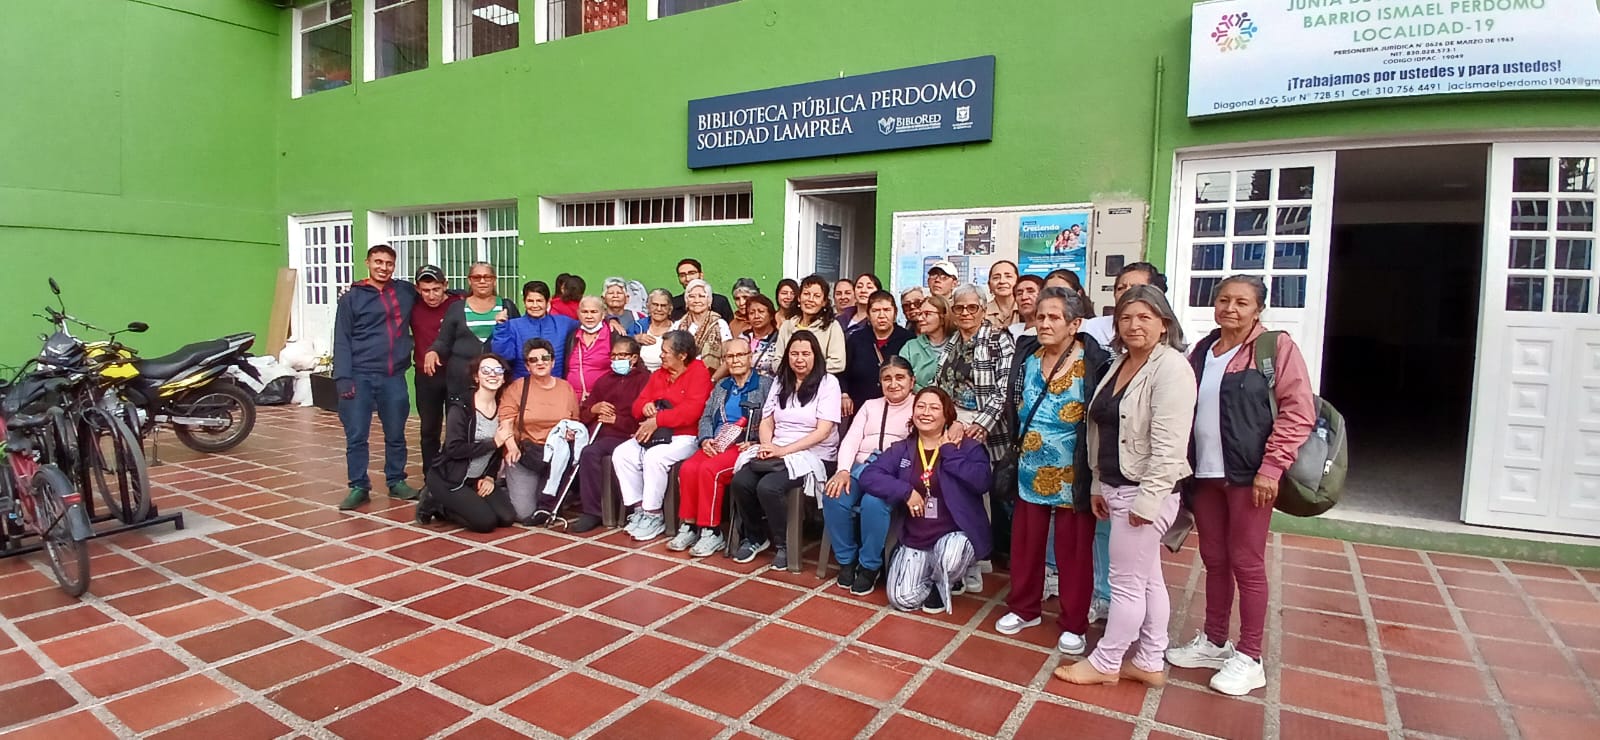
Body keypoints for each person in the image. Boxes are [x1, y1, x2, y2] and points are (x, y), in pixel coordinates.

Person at [1167, 275, 1315, 696]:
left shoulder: (1274, 349)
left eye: (1241, 302)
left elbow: (1298, 411)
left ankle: (1250, 656)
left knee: (1246, 562)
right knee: (1214, 558)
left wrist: (1273, 467)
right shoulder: (1203, 351)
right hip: (1207, 474)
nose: (1230, 308)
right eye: (1223, 300)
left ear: (1258, 309)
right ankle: (1215, 641)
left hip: (1250, 476)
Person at [1057, 285, 1197, 688]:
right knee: (1148, 578)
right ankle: (1151, 658)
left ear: (1164, 323)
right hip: (1118, 488)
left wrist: (1149, 500)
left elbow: (1171, 445)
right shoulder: (1120, 364)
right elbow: (1103, 431)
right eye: (1126, 317)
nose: (1134, 325)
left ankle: (1107, 660)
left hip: (1145, 491)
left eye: (1145, 317)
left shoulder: (1170, 368)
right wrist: (1099, 484)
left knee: (1126, 584)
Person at [995, 289, 1110, 657]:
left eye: (1054, 318)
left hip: (1072, 473)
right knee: (1026, 545)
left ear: (1074, 324)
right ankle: (1023, 608)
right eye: (1041, 316)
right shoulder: (1028, 356)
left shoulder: (1094, 363)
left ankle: (1074, 622)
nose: (1044, 324)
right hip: (1029, 469)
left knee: (1073, 551)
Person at [860, 387, 992, 614]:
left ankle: (949, 577)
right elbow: (869, 476)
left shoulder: (968, 447)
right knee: (902, 599)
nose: (926, 412)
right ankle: (934, 580)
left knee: (950, 556)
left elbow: (982, 482)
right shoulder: (903, 449)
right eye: (920, 406)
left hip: (955, 536)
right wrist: (906, 491)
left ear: (947, 415)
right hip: (917, 539)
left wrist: (949, 451)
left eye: (934, 407)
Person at [730, 331, 841, 570]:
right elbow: (767, 419)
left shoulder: (828, 383)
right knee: (741, 481)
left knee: (769, 486)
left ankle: (784, 544)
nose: (799, 359)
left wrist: (783, 450)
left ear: (816, 356)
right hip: (778, 448)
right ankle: (756, 537)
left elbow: (822, 431)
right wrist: (767, 445)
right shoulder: (781, 380)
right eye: (794, 354)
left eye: (805, 354)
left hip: (814, 454)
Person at [333, 245, 421, 510]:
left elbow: (436, 295)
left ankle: (396, 481)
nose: (383, 267)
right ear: (367, 263)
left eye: (389, 263)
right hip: (359, 376)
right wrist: (343, 378)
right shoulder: (352, 297)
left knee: (396, 433)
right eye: (378, 262)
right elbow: (341, 339)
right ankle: (358, 486)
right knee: (357, 435)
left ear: (394, 266)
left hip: (393, 376)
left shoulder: (405, 291)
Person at [822, 357, 916, 596]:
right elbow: (852, 438)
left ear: (912, 381)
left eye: (900, 378)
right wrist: (843, 470)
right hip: (859, 467)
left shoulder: (919, 406)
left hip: (892, 472)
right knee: (833, 495)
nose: (893, 384)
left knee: (873, 503)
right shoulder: (870, 406)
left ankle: (869, 566)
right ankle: (846, 560)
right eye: (887, 379)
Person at [670, 338, 772, 556]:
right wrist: (705, 439)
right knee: (688, 468)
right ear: (725, 360)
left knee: (710, 471)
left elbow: (773, 419)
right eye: (730, 357)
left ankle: (711, 531)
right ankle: (689, 525)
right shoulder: (721, 386)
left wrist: (756, 440)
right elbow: (706, 416)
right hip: (716, 442)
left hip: (743, 445)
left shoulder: (765, 385)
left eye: (740, 355)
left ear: (750, 357)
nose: (735, 361)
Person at [613, 330, 713, 541]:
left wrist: (658, 419)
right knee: (622, 454)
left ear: (682, 355)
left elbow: (692, 411)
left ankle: (653, 514)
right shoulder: (659, 374)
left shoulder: (699, 372)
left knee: (654, 457)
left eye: (665, 352)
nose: (661, 356)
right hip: (655, 432)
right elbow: (637, 405)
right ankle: (640, 508)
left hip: (685, 435)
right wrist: (646, 407)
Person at [415, 354, 517, 533]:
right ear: (477, 377)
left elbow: (498, 451)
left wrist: (490, 477)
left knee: (507, 517)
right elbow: (454, 449)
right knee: (485, 523)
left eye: (498, 370)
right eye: (486, 370)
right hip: (449, 478)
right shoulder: (461, 407)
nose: (492, 374)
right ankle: (437, 503)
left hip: (476, 478)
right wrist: (493, 443)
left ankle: (465, 499)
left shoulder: (503, 407)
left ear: (503, 378)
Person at [570, 335, 652, 533]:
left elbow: (645, 418)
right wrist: (594, 409)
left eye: (621, 355)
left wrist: (618, 421)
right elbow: (584, 412)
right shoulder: (604, 380)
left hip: (627, 436)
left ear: (633, 358)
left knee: (591, 453)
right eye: (613, 356)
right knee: (573, 448)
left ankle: (594, 512)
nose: (616, 360)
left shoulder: (645, 380)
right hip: (600, 434)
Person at [498, 338, 582, 523]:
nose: (540, 363)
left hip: (555, 456)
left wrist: (570, 434)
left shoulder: (565, 388)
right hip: (525, 453)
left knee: (545, 507)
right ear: (527, 366)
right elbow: (505, 421)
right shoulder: (518, 387)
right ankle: (502, 488)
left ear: (552, 361)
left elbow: (574, 421)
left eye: (545, 358)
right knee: (524, 512)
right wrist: (511, 447)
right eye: (533, 360)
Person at [428, 262, 518, 401]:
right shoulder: (456, 308)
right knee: (461, 420)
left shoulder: (507, 306)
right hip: (461, 379)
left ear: (494, 280)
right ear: (469, 280)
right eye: (477, 277)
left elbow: (518, 339)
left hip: (497, 379)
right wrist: (433, 351)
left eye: (487, 277)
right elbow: (444, 340)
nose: (482, 281)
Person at [410, 265, 461, 477]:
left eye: (436, 289)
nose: (431, 295)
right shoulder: (412, 306)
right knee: (429, 429)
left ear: (445, 286)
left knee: (455, 428)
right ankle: (431, 476)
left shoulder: (458, 304)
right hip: (426, 376)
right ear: (418, 289)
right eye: (426, 290)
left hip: (454, 374)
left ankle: (452, 473)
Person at [840, 290, 913, 417]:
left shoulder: (908, 339)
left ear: (895, 313)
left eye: (886, 310)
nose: (881, 315)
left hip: (898, 408)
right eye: (875, 311)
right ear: (868, 314)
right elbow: (843, 371)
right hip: (860, 408)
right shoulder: (856, 338)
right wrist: (844, 394)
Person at [492, 281, 579, 381]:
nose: (535, 305)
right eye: (530, 301)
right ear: (524, 302)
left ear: (548, 301)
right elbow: (504, 356)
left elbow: (588, 326)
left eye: (539, 301)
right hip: (523, 387)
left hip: (555, 386)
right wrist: (501, 328)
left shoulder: (563, 323)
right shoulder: (513, 326)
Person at [771, 275, 846, 377]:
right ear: (799, 298)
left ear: (824, 302)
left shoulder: (832, 326)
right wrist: (794, 373)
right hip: (789, 385)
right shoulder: (787, 326)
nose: (810, 299)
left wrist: (807, 370)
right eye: (806, 294)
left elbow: (838, 363)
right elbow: (777, 361)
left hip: (819, 386)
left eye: (816, 296)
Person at [1082, 262, 1165, 348]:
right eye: (1121, 288)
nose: (1127, 293)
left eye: (1135, 288)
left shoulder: (1169, 353)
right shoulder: (1092, 328)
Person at [674, 279, 733, 372]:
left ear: (709, 301)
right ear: (686, 301)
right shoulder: (677, 326)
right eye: (692, 296)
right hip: (680, 377)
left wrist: (713, 380)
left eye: (701, 296)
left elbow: (728, 357)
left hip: (711, 378)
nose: (696, 300)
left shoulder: (720, 324)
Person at [566, 296, 614, 402]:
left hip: (603, 399)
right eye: (584, 312)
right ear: (578, 314)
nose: (589, 316)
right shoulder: (572, 335)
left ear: (603, 314)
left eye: (594, 312)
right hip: (572, 399)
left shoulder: (613, 335)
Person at [901, 295, 953, 391]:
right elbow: (902, 377)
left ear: (942, 317)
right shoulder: (910, 347)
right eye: (920, 314)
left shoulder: (957, 344)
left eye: (927, 314)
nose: (920, 318)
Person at [630, 288, 676, 372]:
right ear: (648, 307)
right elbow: (623, 345)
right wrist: (635, 339)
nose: (659, 309)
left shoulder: (677, 328)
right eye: (655, 304)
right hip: (640, 376)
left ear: (670, 309)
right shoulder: (638, 326)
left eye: (663, 306)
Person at [741, 294, 781, 379]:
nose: (756, 316)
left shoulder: (779, 339)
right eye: (751, 313)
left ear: (771, 315)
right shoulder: (744, 337)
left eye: (761, 311)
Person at [985, 261, 1022, 328]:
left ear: (1018, 282)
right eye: (996, 277)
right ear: (989, 285)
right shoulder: (981, 312)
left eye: (1008, 276)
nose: (1002, 281)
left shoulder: (1026, 309)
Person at [1011, 274, 1045, 340]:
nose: (1024, 297)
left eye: (1030, 292)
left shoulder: (1049, 331)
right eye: (1019, 293)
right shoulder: (1011, 331)